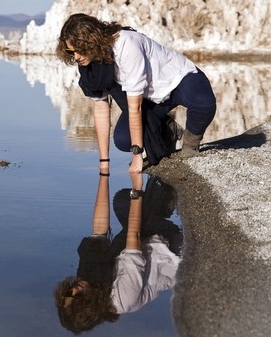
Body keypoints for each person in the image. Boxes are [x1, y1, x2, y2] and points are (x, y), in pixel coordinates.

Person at [56, 13, 217, 173]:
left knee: (203, 103)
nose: (76, 57)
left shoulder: (126, 44)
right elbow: (100, 108)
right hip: (151, 98)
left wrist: (137, 156)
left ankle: (190, 144)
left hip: (178, 80)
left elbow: (135, 108)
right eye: (71, 51)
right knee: (123, 140)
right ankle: (169, 129)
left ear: (91, 41)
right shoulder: (91, 64)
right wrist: (104, 163)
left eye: (79, 50)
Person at [54, 171, 182, 333]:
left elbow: (99, 229)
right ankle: (164, 197)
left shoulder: (86, 280)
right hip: (170, 251)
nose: (74, 289)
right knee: (142, 198)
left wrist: (103, 169)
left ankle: (162, 200)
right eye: (76, 296)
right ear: (90, 306)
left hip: (146, 236)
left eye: (68, 294)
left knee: (122, 201)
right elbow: (133, 239)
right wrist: (137, 186)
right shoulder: (123, 299)